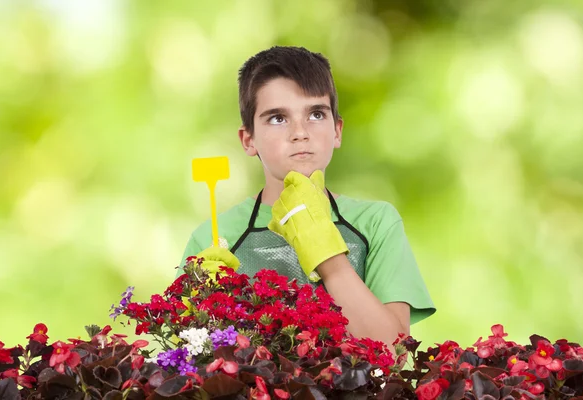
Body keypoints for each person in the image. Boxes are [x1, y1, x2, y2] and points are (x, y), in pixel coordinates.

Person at [179, 46, 435, 349]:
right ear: (248, 139)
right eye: (277, 118)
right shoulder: (213, 238)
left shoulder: (376, 223)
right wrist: (205, 312)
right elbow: (191, 367)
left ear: (337, 130)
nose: (300, 133)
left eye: (315, 114)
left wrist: (327, 255)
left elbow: (392, 354)